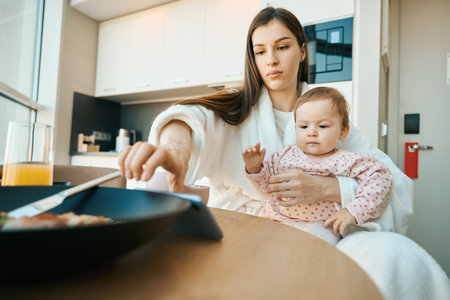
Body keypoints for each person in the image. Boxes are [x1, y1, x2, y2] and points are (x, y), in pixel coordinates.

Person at [119, 7, 449, 300]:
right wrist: (174, 151)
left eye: (282, 47)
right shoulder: (236, 109)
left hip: (326, 228)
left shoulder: (326, 115)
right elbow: (188, 117)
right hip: (251, 228)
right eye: (260, 51)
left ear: (302, 51)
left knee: (398, 256)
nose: (271, 61)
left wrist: (329, 187)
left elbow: (393, 180)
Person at [242, 87, 392, 245]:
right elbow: (266, 186)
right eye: (304, 126)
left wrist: (353, 211)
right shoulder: (285, 156)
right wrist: (254, 168)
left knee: (313, 249)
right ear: (295, 129)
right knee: (254, 243)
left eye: (323, 126)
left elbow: (381, 178)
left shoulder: (346, 160)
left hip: (321, 225)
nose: (311, 132)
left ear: (343, 131)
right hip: (277, 218)